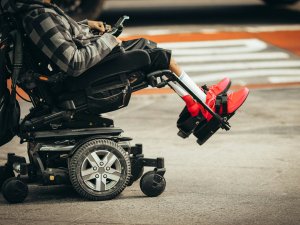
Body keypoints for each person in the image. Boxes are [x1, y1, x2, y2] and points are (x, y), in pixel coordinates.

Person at [1, 0, 249, 121]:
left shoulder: (35, 10)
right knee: (156, 55)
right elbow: (73, 62)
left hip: (72, 75)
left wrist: (85, 26)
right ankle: (207, 106)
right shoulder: (38, 15)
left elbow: (59, 36)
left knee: (148, 46)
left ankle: (197, 100)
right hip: (77, 80)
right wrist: (108, 40)